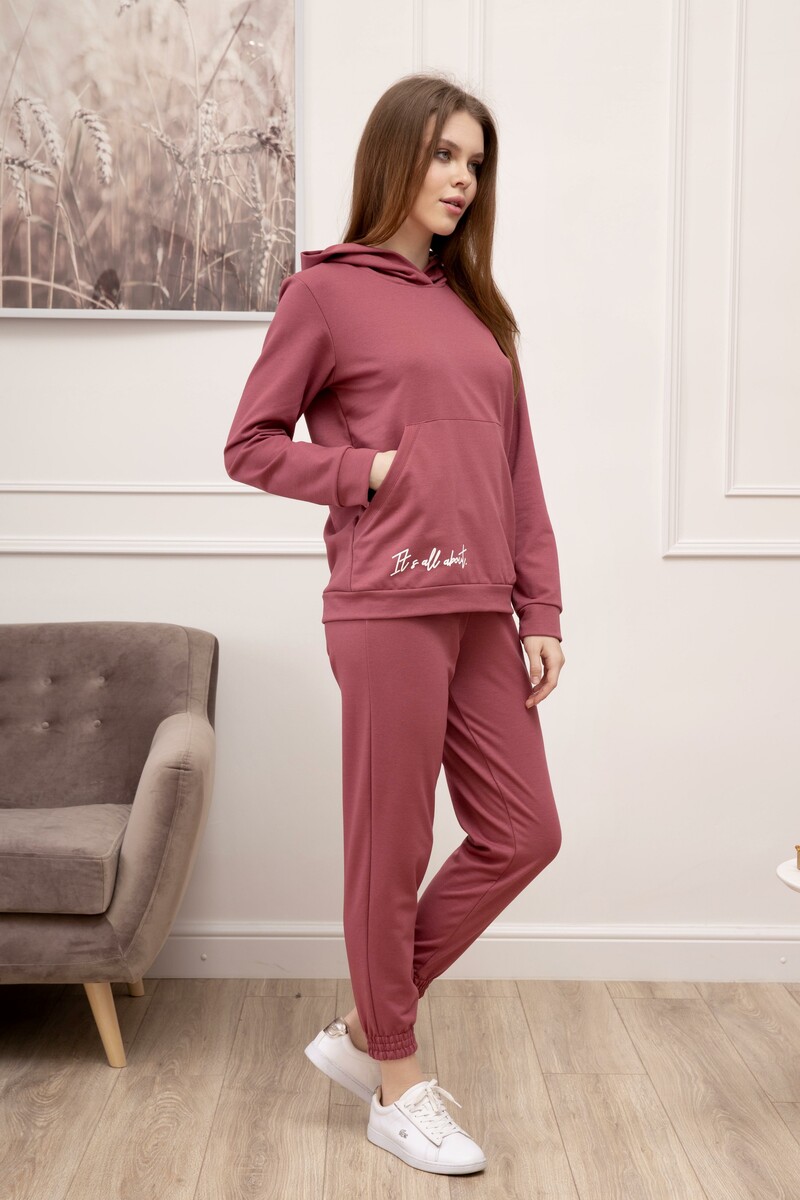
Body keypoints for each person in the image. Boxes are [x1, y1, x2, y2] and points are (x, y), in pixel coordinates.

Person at [223, 71, 565, 1177]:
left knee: (524, 832)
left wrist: (540, 605)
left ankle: (369, 1022)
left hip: (480, 607)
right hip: (387, 603)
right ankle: (397, 1085)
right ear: (394, 158)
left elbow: (517, 473)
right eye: (444, 155)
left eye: (475, 163)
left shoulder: (475, 308)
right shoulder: (325, 293)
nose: (462, 179)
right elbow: (249, 445)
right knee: (393, 845)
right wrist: (361, 471)